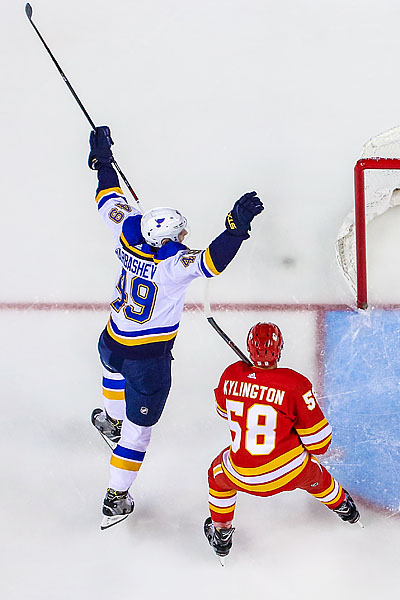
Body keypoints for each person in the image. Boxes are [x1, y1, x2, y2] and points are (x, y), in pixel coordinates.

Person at [86, 126, 265, 529]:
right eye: (180, 233)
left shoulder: (126, 227)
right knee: (138, 436)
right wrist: (235, 228)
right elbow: (211, 261)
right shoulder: (171, 267)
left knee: (111, 373)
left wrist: (102, 158)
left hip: (112, 339)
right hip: (146, 362)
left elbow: (107, 196)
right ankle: (116, 496)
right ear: (165, 238)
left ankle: (110, 421)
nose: (184, 236)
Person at [204, 322, 360, 561]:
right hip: (289, 472)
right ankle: (344, 508)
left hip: (242, 475)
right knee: (314, 474)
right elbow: (319, 445)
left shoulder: (231, 374)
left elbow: (223, 412)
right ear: (280, 349)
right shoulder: (295, 384)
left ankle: (222, 532)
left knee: (216, 476)